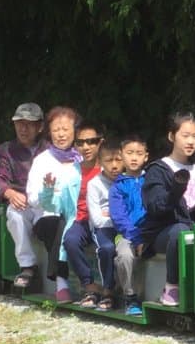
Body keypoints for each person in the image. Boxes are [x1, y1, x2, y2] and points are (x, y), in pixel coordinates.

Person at [141, 111, 195, 306]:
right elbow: (154, 206)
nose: (190, 141)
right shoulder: (158, 169)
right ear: (171, 136)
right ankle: (171, 287)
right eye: (185, 136)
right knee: (181, 232)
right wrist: (176, 190)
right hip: (163, 233)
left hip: (193, 230)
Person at [25, 106, 82, 304]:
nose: (60, 134)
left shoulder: (82, 158)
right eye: (56, 129)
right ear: (49, 132)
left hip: (78, 214)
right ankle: (61, 282)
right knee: (55, 222)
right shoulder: (42, 160)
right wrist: (50, 195)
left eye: (65, 129)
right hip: (47, 215)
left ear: (75, 131)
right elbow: (32, 197)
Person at [0, 103, 46, 291]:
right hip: (22, 201)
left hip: (49, 200)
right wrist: (9, 192)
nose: (23, 128)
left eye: (29, 124)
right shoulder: (5, 150)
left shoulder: (51, 148)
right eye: (19, 123)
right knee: (14, 214)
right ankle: (27, 267)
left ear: (40, 126)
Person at [62, 123, 104, 307]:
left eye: (91, 141)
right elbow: (58, 202)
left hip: (104, 221)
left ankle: (112, 291)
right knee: (70, 240)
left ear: (100, 142)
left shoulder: (110, 167)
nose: (86, 147)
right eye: (80, 143)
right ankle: (90, 286)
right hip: (80, 220)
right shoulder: (71, 171)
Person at [109, 133, 149, 316]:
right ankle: (130, 297)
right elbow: (119, 217)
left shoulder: (151, 180)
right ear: (121, 155)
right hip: (127, 234)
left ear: (146, 157)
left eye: (139, 153)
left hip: (150, 231)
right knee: (125, 255)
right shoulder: (117, 186)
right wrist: (136, 237)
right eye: (130, 153)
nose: (134, 157)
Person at [85, 137, 123, 310]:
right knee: (107, 249)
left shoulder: (126, 181)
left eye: (118, 160)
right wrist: (118, 218)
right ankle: (108, 290)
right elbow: (97, 219)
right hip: (103, 229)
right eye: (109, 160)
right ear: (100, 162)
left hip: (122, 227)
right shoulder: (94, 185)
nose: (114, 165)